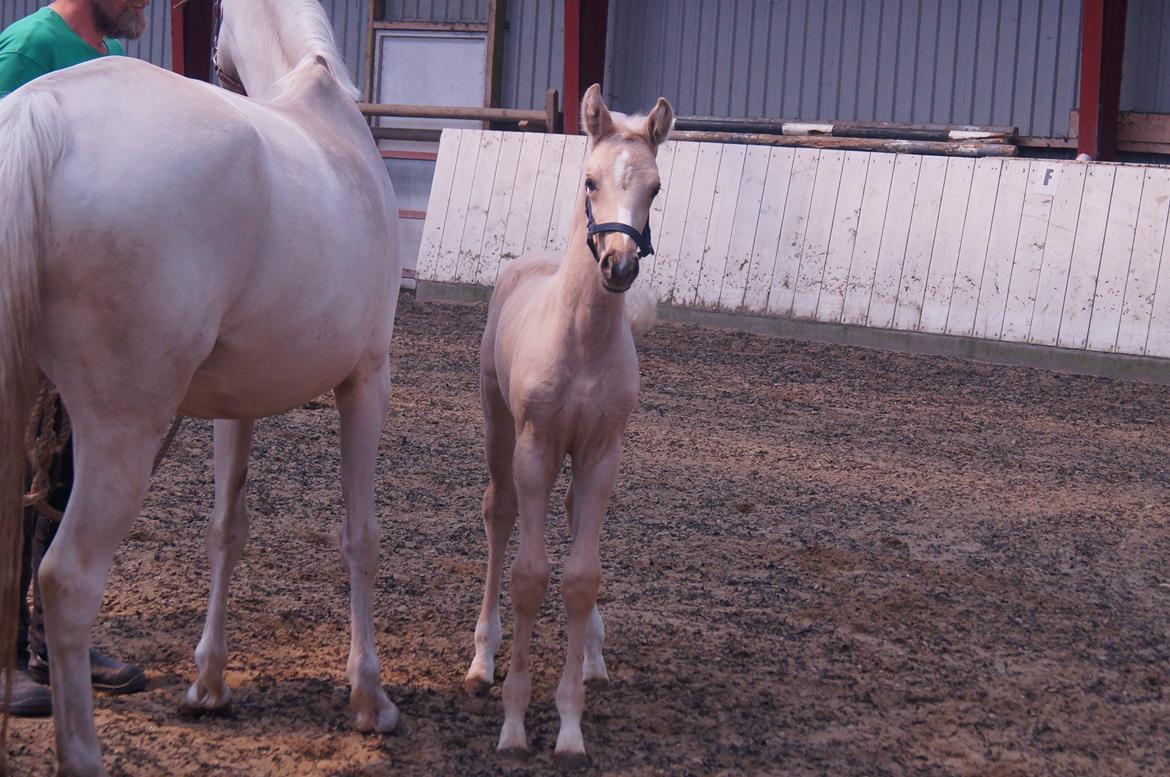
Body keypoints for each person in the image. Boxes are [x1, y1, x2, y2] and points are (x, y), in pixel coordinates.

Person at [0, 0, 150, 717]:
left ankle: (55, 636)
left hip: (80, 320)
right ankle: (5, 657)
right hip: (21, 311)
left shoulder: (112, 68)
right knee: (13, 483)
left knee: (65, 478)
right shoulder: (30, 48)